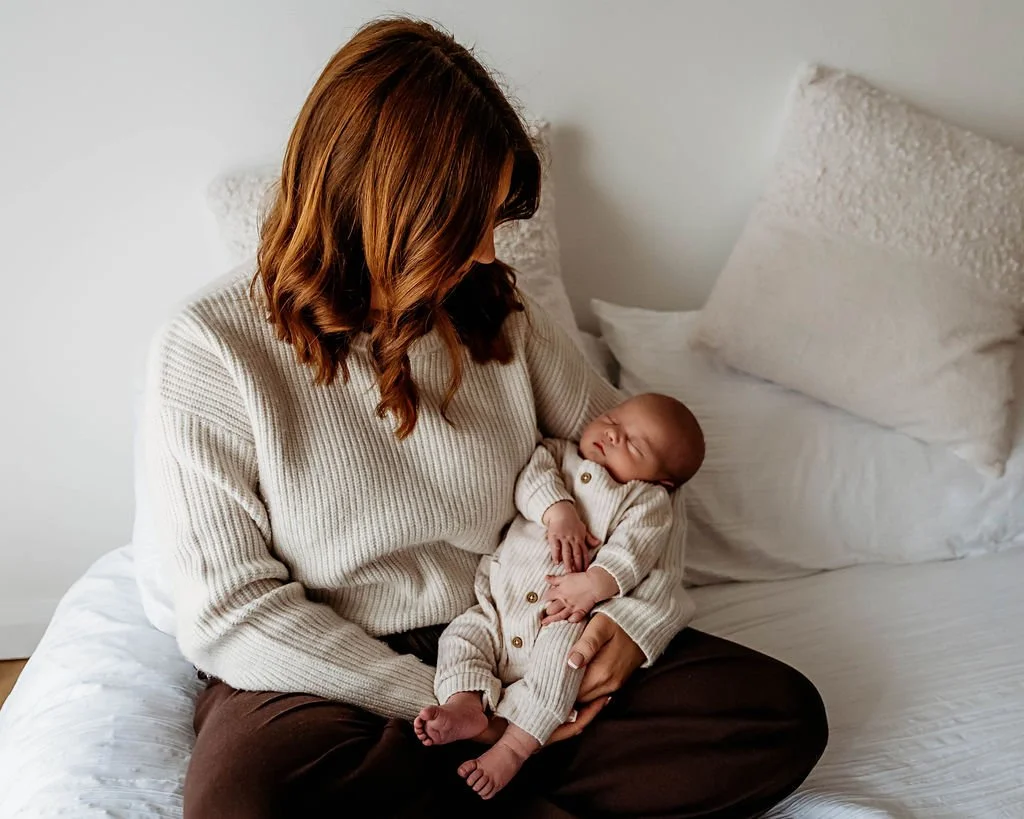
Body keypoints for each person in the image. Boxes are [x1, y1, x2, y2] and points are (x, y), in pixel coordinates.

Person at [142, 15, 827, 818]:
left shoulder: (498, 314)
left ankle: (477, 777)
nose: (489, 253)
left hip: (521, 631)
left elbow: (642, 477)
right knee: (244, 804)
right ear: (389, 206)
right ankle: (503, 772)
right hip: (330, 673)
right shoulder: (209, 348)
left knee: (772, 715)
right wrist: (446, 700)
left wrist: (631, 625)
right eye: (471, 221)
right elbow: (233, 614)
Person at [415, 393, 706, 800]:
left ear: (663, 482)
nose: (612, 435)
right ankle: (465, 703)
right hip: (497, 602)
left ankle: (513, 747)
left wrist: (594, 584)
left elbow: (635, 551)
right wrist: (559, 511)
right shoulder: (557, 453)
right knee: (461, 638)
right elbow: (533, 481)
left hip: (563, 616)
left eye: (634, 445)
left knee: (562, 669)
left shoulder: (647, 501)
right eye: (611, 419)